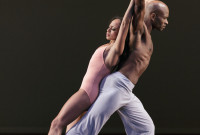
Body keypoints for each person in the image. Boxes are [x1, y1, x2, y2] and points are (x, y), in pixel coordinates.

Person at [66, 0, 169, 135]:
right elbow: (138, 6)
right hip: (117, 86)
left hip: (126, 89)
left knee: (145, 128)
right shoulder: (139, 31)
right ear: (153, 16)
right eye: (165, 18)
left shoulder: (146, 35)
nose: (166, 22)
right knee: (88, 127)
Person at [48, 0, 136, 134]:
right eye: (109, 26)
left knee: (57, 123)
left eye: (113, 29)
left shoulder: (114, 51)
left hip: (87, 93)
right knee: (70, 130)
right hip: (87, 92)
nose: (108, 30)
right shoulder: (107, 46)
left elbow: (125, 24)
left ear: (121, 33)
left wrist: (133, 3)